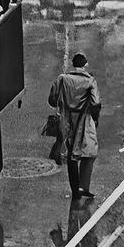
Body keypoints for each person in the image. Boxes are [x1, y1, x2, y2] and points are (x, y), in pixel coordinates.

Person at [48, 52, 101, 202]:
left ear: (73, 65)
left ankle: (75, 188)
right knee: (89, 152)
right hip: (84, 121)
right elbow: (96, 103)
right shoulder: (90, 81)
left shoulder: (62, 79)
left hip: (67, 119)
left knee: (71, 154)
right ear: (84, 65)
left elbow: (52, 99)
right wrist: (95, 119)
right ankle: (84, 186)